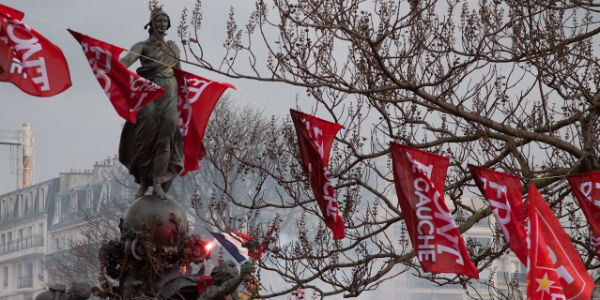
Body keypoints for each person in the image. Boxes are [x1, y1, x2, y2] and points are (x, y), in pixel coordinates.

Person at [118, 7, 183, 199]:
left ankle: (158, 181)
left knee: (166, 140)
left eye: (165, 21)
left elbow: (180, 74)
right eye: (159, 21)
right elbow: (125, 62)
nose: (162, 25)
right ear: (151, 24)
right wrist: (107, 60)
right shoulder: (142, 46)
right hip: (149, 94)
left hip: (170, 92)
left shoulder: (173, 48)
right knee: (145, 138)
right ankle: (144, 182)